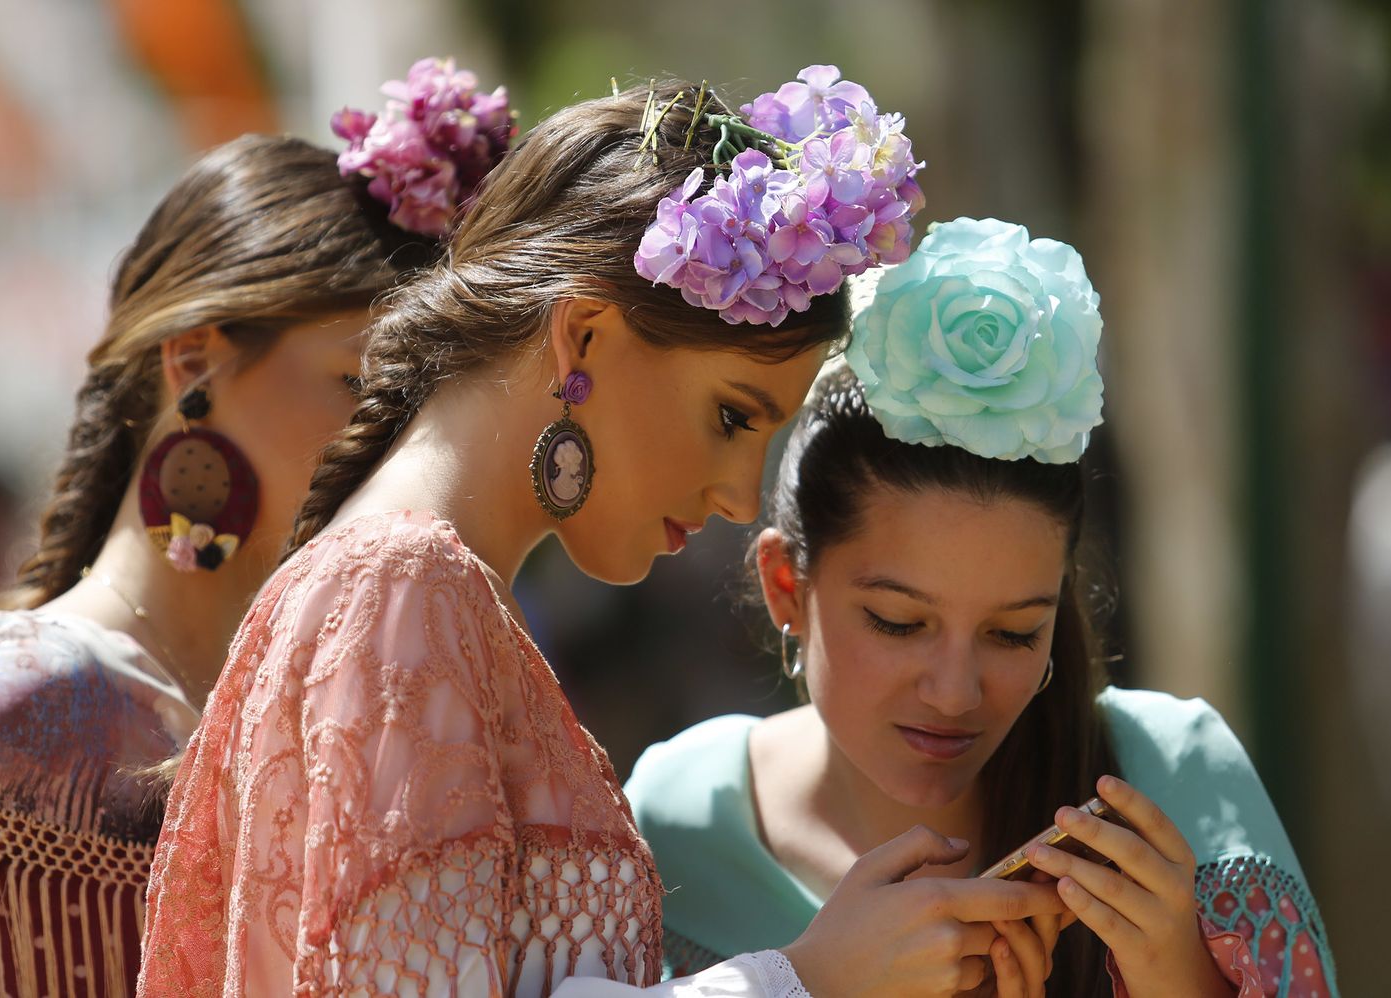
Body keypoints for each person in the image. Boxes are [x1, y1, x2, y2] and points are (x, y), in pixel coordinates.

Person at [137, 68, 1060, 998]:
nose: (743, 499)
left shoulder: (430, 590)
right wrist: (805, 981)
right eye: (734, 418)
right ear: (583, 335)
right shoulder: (401, 584)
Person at [0, 59, 514, 998]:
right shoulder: (37, 691)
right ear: (193, 361)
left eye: (412, 406)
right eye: (358, 387)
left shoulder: (333, 706)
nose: (389, 440)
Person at [625, 217, 1341, 997]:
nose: (956, 692)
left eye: (1012, 633)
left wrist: (1186, 978)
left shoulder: (1173, 780)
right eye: (900, 622)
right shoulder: (683, 819)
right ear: (785, 586)